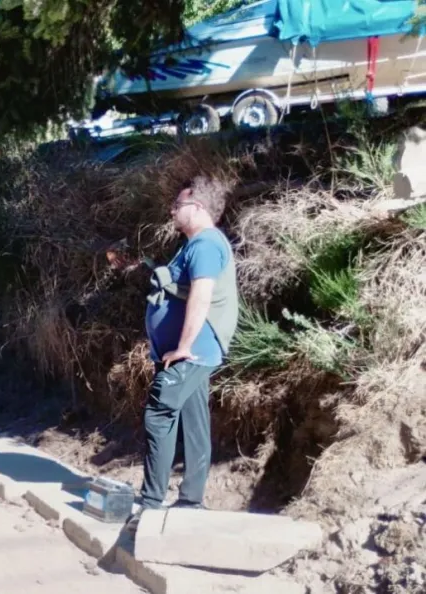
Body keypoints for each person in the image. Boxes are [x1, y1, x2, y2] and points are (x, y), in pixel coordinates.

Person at [129, 175, 239, 528]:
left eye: (178, 205)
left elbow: (202, 295)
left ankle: (150, 503)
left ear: (198, 207)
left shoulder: (205, 244)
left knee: (159, 413)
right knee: (193, 420)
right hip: (189, 350)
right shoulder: (195, 244)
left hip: (193, 350)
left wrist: (184, 347)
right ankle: (191, 500)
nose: (172, 210)